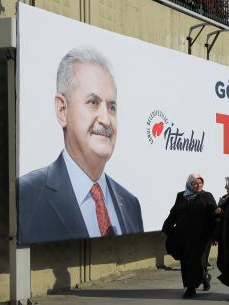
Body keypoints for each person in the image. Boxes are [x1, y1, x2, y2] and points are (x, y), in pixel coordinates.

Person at [18, 46, 143, 245]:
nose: (106, 119)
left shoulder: (130, 204)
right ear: (62, 110)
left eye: (112, 107)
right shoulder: (25, 196)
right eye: (93, 102)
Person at [161, 173, 217, 299]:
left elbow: (214, 216)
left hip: (202, 236)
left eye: (201, 183)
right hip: (184, 236)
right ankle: (193, 286)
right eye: (195, 183)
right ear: (190, 184)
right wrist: (166, 228)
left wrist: (215, 235)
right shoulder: (181, 196)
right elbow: (174, 213)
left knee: (198, 261)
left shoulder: (207, 196)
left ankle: (195, 284)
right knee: (186, 262)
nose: (199, 185)